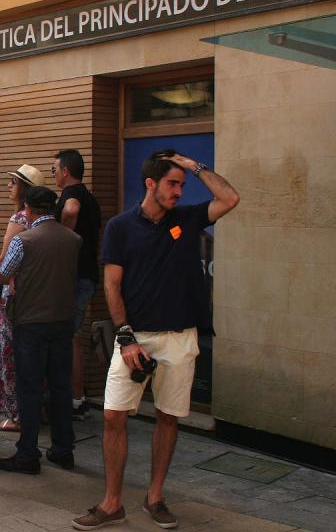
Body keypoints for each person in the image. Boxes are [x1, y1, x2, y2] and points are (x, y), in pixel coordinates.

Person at [73, 150, 239, 531]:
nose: (179, 191)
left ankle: (155, 497)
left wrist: (195, 166)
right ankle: (112, 502)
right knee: (114, 416)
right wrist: (126, 337)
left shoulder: (187, 218)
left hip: (180, 338)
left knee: (168, 418)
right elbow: (112, 285)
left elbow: (230, 199)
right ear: (151, 183)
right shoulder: (120, 226)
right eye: (172, 183)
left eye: (182, 184)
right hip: (135, 338)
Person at [0, 186, 81, 476]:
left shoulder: (24, 240)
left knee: (30, 388)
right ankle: (63, 449)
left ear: (29, 211)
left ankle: (27, 453)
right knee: (60, 387)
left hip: (31, 321)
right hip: (62, 320)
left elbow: (4, 272)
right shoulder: (73, 239)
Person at [0, 164, 46, 433]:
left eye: (13, 181)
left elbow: (4, 262)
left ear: (24, 188)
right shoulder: (45, 219)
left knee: (9, 354)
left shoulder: (19, 219)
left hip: (14, 292)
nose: (9, 186)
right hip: (38, 293)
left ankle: (13, 414)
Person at [53, 149, 102, 421]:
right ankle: (76, 396)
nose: (54, 176)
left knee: (68, 337)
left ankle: (74, 398)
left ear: (65, 171)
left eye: (54, 170)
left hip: (76, 277)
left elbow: (70, 211)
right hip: (84, 275)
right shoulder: (89, 196)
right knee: (71, 337)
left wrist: (62, 235)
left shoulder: (73, 196)